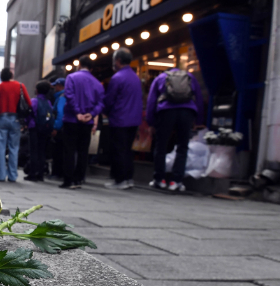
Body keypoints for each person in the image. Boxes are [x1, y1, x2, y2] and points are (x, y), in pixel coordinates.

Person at [146, 63, 204, 191]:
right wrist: (198, 120)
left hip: (166, 111)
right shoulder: (190, 77)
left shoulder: (160, 78)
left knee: (161, 146)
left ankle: (159, 179)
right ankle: (176, 181)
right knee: (182, 147)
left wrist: (151, 122)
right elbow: (198, 97)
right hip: (187, 112)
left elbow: (151, 101)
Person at [60, 56, 104, 189]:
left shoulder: (71, 78)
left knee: (69, 149)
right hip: (88, 121)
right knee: (83, 151)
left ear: (79, 65)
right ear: (91, 68)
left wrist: (77, 113)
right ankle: (79, 179)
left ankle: (68, 180)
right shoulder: (97, 83)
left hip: (72, 119)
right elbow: (101, 103)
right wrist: (91, 114)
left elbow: (69, 95)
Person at [102, 48, 143, 190]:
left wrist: (105, 111)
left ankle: (119, 179)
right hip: (134, 119)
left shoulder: (117, 78)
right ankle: (128, 178)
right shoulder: (135, 77)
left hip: (120, 118)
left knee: (118, 149)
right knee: (128, 150)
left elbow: (109, 99)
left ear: (118, 61)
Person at [0, 68, 31, 182]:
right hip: (15, 119)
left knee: (0, 147)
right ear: (11, 75)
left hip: (1, 118)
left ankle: (1, 175)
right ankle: (12, 175)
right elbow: (29, 102)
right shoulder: (20, 86)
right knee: (14, 148)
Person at [25, 80, 54, 181]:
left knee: (34, 151)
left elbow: (29, 114)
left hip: (34, 128)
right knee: (42, 151)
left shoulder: (34, 101)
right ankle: (40, 174)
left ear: (36, 90)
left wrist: (26, 123)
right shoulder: (49, 102)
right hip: (45, 129)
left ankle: (33, 173)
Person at [50, 78, 66, 179]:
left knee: (58, 151)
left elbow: (60, 114)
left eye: (56, 85)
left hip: (61, 129)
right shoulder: (64, 96)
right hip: (66, 127)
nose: (55, 87)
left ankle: (57, 173)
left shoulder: (61, 97)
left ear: (60, 86)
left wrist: (55, 127)